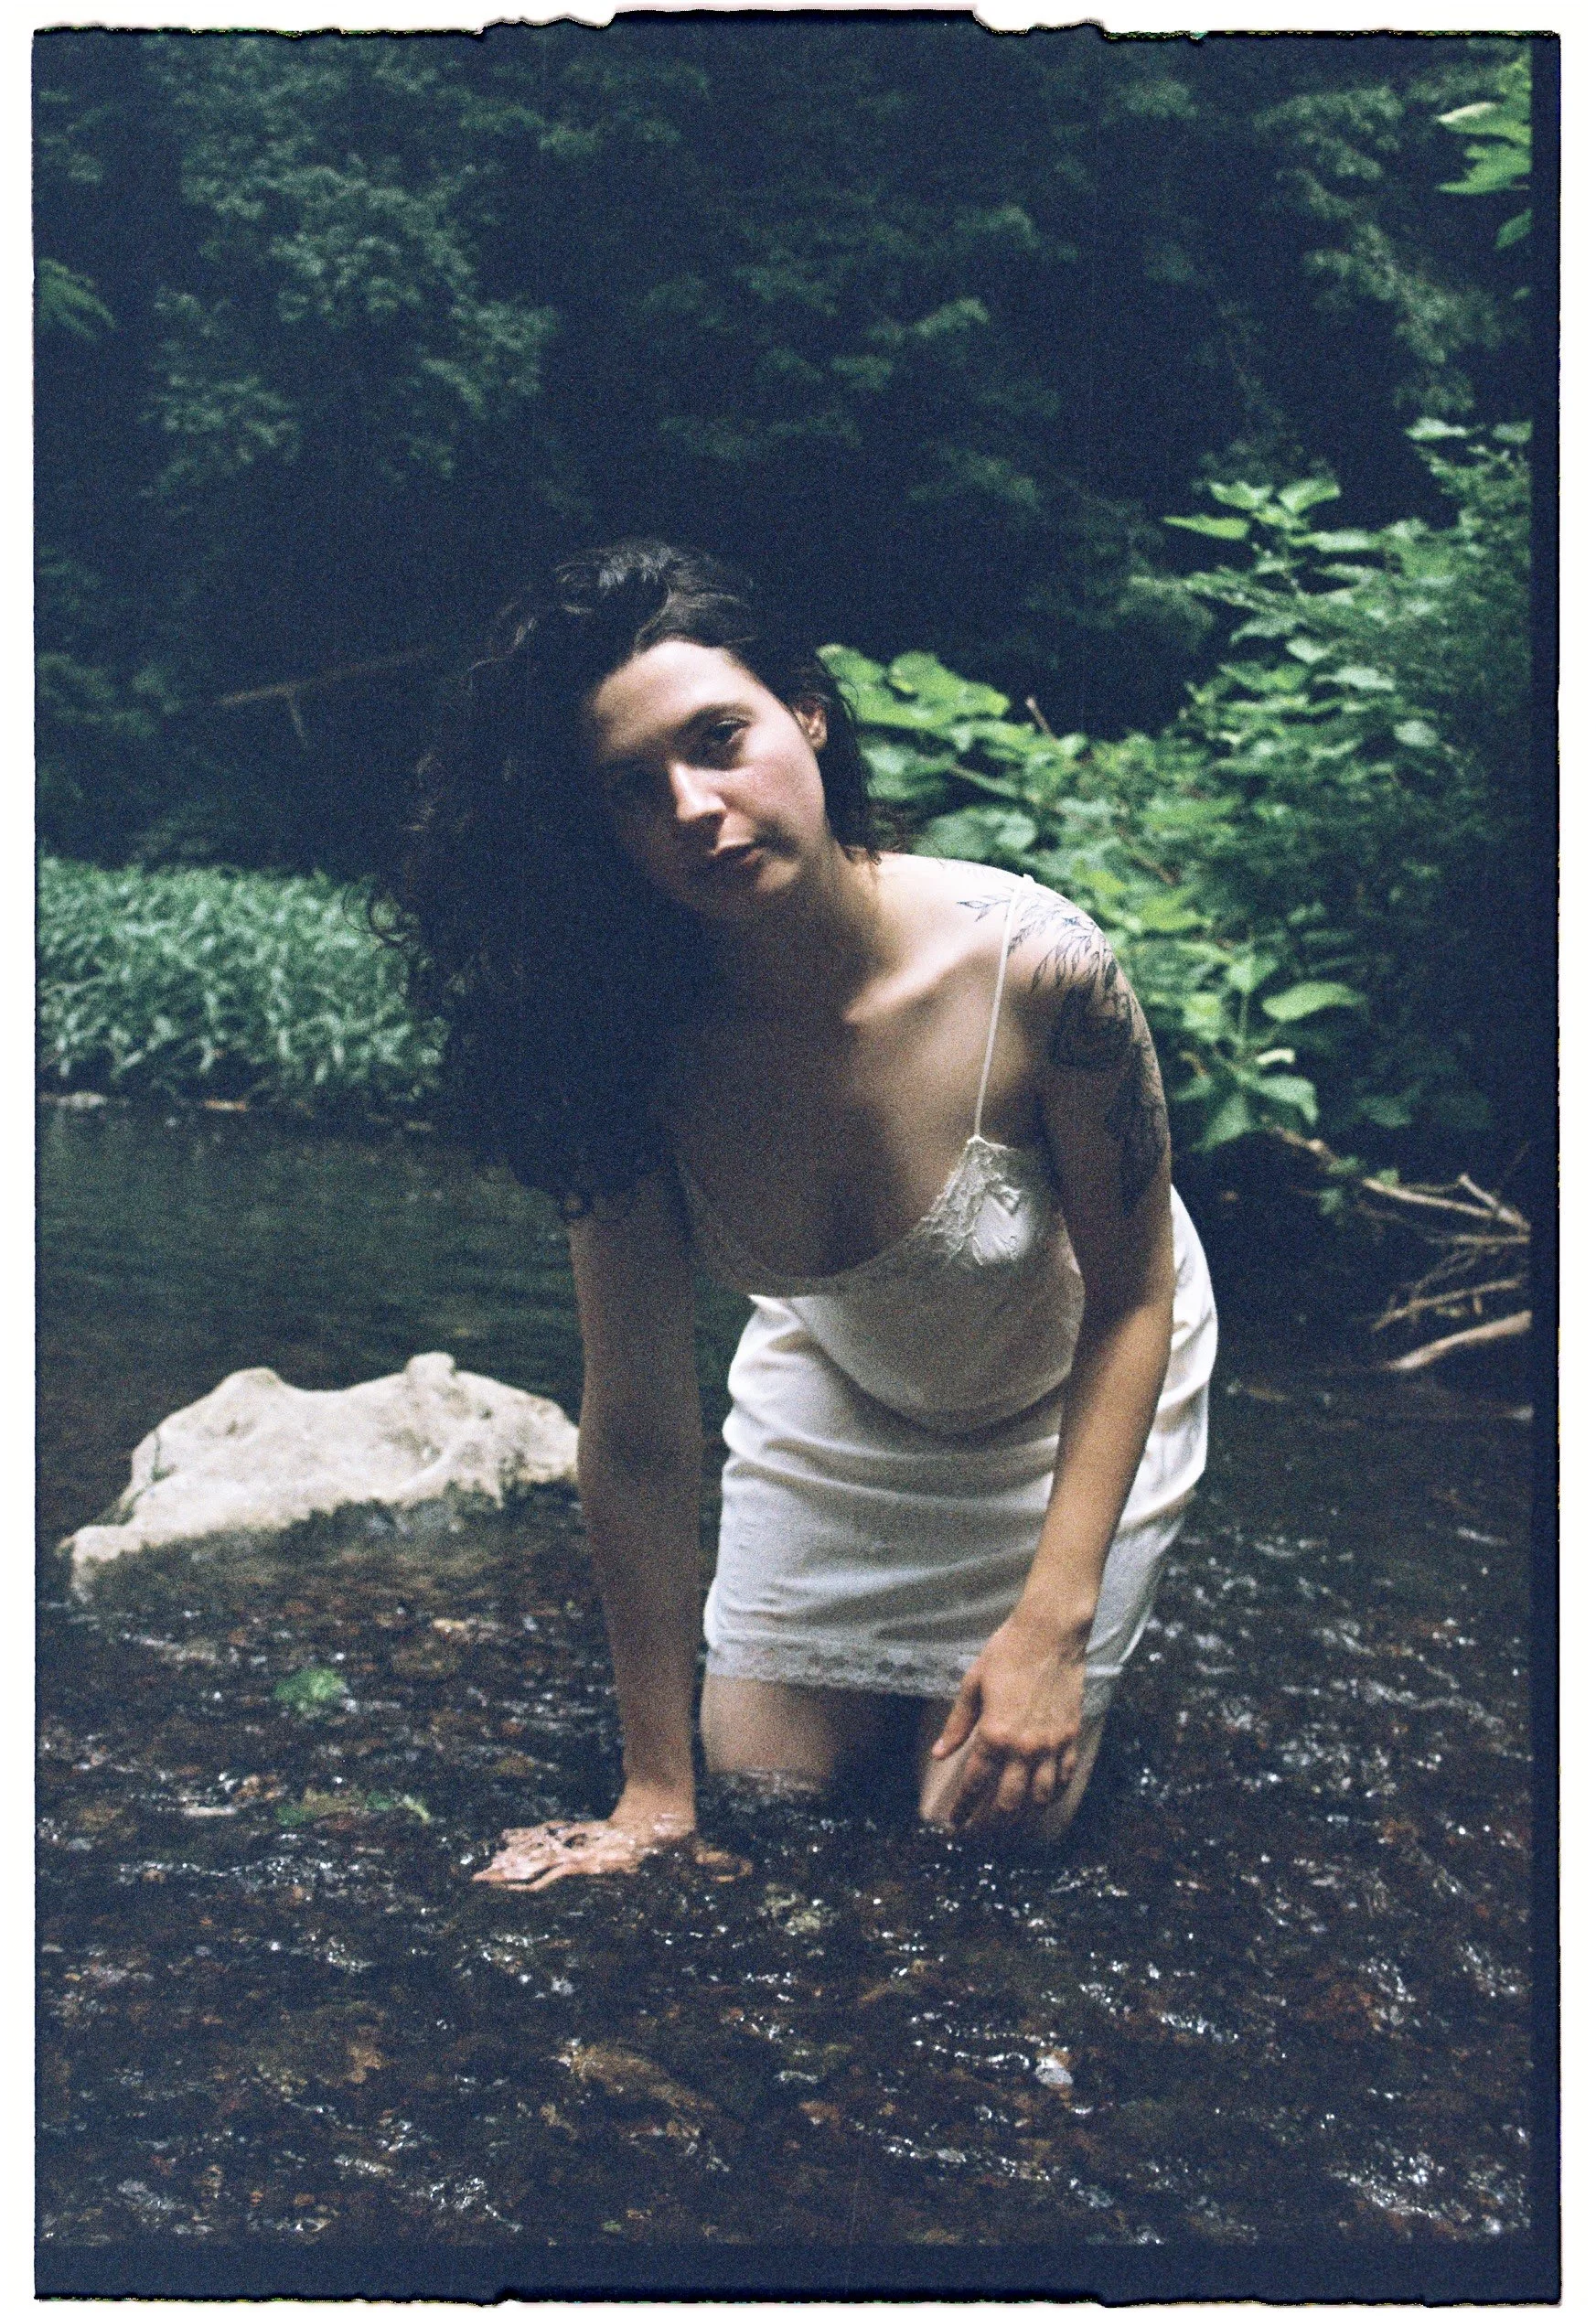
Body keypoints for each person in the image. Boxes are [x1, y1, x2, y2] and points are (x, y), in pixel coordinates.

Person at [390, 541, 1216, 1890]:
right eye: (633, 790)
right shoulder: (624, 1054)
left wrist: (1052, 1630)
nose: (697, 807)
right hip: (844, 1397)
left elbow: (1135, 1300)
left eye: (720, 739)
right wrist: (655, 1793)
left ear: (807, 714)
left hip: (1086, 1376)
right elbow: (644, 1431)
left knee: (979, 1841)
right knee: (759, 1800)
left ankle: (1088, 1636)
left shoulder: (1043, 972)